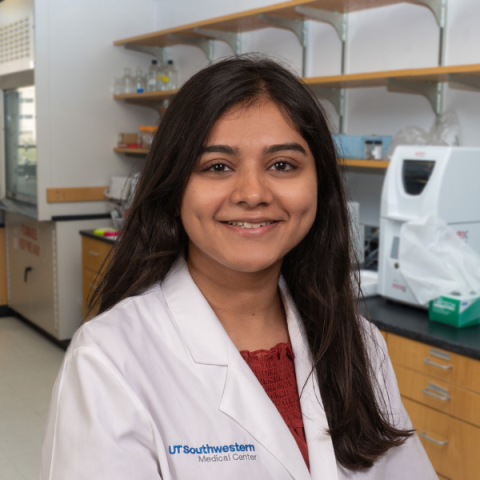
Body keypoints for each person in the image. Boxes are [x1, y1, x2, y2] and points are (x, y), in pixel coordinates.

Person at [40, 55, 436, 480]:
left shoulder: (359, 342)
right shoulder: (109, 360)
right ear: (175, 189)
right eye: (218, 167)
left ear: (319, 185)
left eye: (282, 165)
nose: (252, 193)